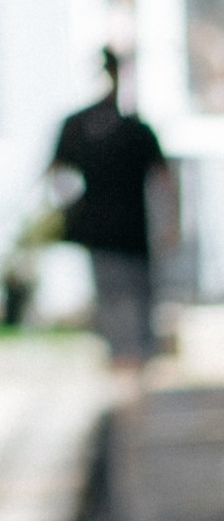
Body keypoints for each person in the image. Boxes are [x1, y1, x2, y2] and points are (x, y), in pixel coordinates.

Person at [48, 51, 169, 374]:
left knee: (126, 310)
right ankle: (128, 381)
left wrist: (70, 208)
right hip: (116, 235)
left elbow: (162, 178)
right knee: (123, 311)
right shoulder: (106, 127)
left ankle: (130, 381)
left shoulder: (128, 128)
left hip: (120, 234)